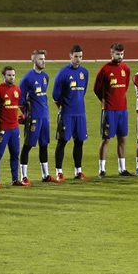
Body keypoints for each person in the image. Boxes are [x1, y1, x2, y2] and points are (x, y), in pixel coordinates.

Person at [52, 44, 90, 181]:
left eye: (80, 56)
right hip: (67, 114)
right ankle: (59, 172)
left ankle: (78, 171)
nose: (78, 59)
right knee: (62, 141)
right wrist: (63, 107)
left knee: (79, 142)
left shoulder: (84, 72)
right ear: (70, 56)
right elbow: (55, 96)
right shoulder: (63, 73)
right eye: (76, 56)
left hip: (80, 113)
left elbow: (83, 91)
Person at [94, 42, 131, 178]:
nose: (120, 56)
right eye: (117, 54)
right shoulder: (105, 70)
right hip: (109, 110)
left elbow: (125, 86)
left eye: (122, 54)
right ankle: (102, 169)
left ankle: (122, 169)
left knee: (122, 139)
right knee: (106, 139)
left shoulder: (126, 68)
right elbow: (96, 89)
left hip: (122, 110)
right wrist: (104, 100)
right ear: (111, 53)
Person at [0, 66, 26, 188]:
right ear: (4, 76)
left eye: (13, 75)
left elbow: (20, 105)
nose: (12, 77)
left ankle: (15, 179)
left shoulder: (17, 89)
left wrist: (23, 116)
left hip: (15, 129)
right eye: (9, 75)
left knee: (15, 154)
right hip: (3, 128)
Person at [19, 49, 53, 183]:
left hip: (44, 117)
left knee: (44, 145)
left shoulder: (45, 77)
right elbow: (20, 100)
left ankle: (45, 175)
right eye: (40, 59)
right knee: (28, 145)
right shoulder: (27, 78)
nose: (43, 61)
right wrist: (26, 114)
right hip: (33, 117)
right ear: (33, 60)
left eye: (44, 59)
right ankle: (23, 176)